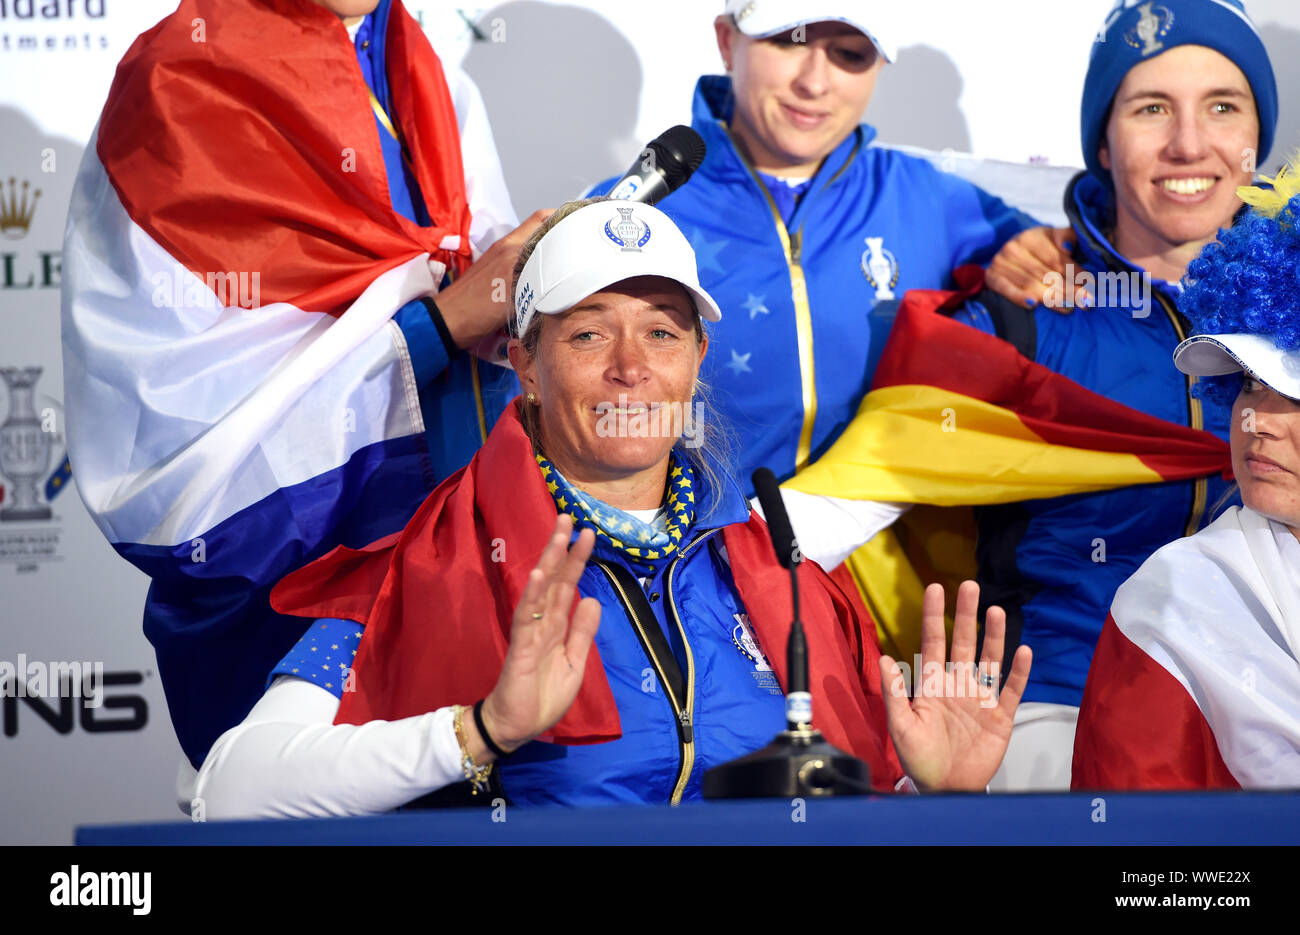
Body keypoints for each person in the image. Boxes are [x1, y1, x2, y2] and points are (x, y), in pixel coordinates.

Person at [190, 199, 1032, 816]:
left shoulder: (777, 568)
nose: (631, 366)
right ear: (525, 364)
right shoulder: (434, 564)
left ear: (697, 361)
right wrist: (479, 732)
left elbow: (840, 811)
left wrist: (936, 796)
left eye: (662, 333)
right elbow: (234, 790)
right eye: (589, 333)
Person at [780, 0, 1277, 790]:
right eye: (1151, 108)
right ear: (1103, 144)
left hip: (1264, 725)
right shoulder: (1017, 322)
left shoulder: (1290, 321)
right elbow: (814, 524)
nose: (1190, 143)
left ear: (1261, 135)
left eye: (1223, 106)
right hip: (1052, 721)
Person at [60, 0, 547, 770]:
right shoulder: (181, 84)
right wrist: (438, 323)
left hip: (463, 565)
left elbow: (469, 277)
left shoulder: (426, 68)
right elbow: (177, 425)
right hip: (295, 599)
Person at [587, 1, 1062, 496]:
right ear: (728, 42)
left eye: (850, 54)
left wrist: (1040, 264)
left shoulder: (934, 198)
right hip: (690, 562)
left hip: (882, 564)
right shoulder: (627, 212)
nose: (814, 83)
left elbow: (1096, 282)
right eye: (786, 41)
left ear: (877, 66)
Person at [1073, 165, 1300, 789]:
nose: (1255, 420)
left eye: (1293, 394)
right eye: (1249, 384)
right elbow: (1150, 877)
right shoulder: (1173, 602)